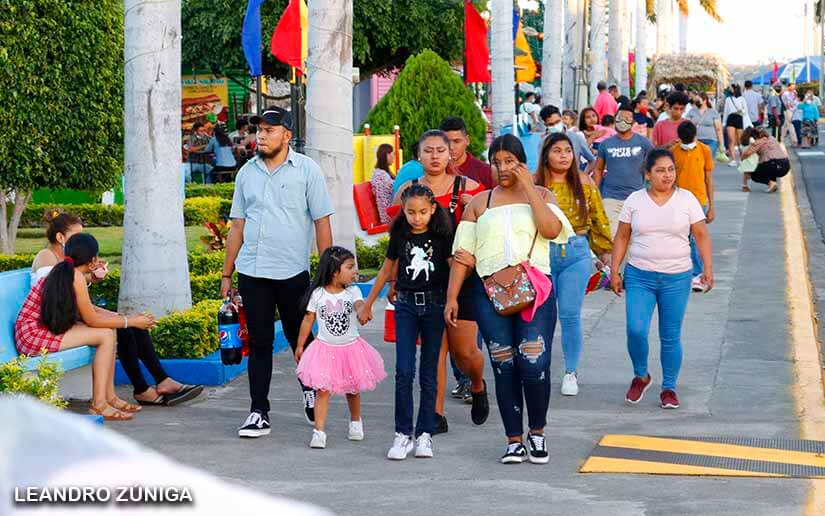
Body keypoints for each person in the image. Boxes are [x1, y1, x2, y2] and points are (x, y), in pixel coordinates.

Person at [447, 134, 574, 464]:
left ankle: (538, 432)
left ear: (522, 163)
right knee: (503, 364)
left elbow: (549, 230)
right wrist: (452, 297)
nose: (502, 168)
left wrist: (529, 187)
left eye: (509, 162)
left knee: (533, 362)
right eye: (496, 162)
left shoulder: (543, 195)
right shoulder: (479, 203)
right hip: (490, 296)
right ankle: (513, 439)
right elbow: (463, 255)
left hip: (535, 294)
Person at [222, 106, 335, 438]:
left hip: (292, 273)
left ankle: (311, 391)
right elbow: (237, 226)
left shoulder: (307, 171)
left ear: (287, 135)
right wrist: (227, 275)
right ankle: (259, 412)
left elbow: (322, 222)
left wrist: (326, 274)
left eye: (270, 130)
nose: (262, 135)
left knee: (300, 338)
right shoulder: (246, 173)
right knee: (259, 342)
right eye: (259, 129)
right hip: (253, 271)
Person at [31, 215, 203, 407]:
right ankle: (137, 391)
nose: (80, 240)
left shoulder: (71, 267)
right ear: (61, 238)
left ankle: (158, 381)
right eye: (76, 236)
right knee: (120, 325)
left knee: (125, 321)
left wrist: (90, 276)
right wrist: (125, 319)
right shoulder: (48, 257)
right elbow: (59, 296)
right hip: (49, 322)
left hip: (63, 317)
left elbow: (73, 296)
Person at [391, 130, 488, 435]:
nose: (434, 156)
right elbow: (398, 241)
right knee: (435, 352)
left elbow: (485, 231)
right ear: (418, 155)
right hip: (423, 283)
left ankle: (477, 383)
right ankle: (435, 414)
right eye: (428, 151)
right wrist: (396, 280)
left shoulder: (471, 188)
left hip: (463, 279)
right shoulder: (408, 190)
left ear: (451, 154)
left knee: (464, 352)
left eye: (440, 151)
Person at [611, 149, 713, 410]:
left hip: (677, 277)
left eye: (671, 170)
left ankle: (669, 387)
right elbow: (622, 236)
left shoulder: (686, 199)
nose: (667, 175)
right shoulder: (635, 200)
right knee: (636, 329)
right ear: (647, 174)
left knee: (670, 335)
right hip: (639, 275)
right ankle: (641, 375)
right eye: (660, 170)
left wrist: (707, 270)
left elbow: (701, 235)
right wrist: (614, 270)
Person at [15, 233, 156, 421]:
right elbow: (92, 320)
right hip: (33, 336)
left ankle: (109, 397)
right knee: (105, 335)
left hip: (37, 331)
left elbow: (87, 310)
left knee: (109, 331)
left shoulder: (68, 272)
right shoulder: (75, 277)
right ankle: (99, 405)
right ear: (92, 260)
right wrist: (131, 322)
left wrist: (123, 318)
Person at [360, 184, 455, 460]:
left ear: (433, 209)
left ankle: (424, 433)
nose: (417, 217)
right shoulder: (400, 234)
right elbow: (387, 268)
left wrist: (455, 301)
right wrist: (368, 304)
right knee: (403, 370)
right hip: (405, 306)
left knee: (429, 372)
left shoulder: (442, 234)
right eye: (411, 212)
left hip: (435, 306)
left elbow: (453, 270)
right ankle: (402, 433)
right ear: (403, 211)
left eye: (423, 212)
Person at [536, 133, 612, 396]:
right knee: (541, 316)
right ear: (546, 154)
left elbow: (599, 218)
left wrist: (606, 255)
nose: (564, 156)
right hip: (541, 254)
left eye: (568, 151)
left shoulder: (585, 182)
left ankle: (570, 372)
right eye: (557, 151)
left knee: (569, 314)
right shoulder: (534, 185)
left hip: (576, 253)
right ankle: (539, 368)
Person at [295, 246, 387, 449]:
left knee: (353, 388)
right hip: (324, 349)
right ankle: (319, 431)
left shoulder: (353, 292)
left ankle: (355, 421)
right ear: (335, 271)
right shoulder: (318, 294)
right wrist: (301, 344)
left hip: (350, 349)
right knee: (323, 390)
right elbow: (308, 319)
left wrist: (364, 310)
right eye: (350, 267)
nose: (354, 272)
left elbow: (359, 305)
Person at [593, 106, 655, 237]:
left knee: (636, 238)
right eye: (620, 118)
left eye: (627, 119)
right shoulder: (606, 144)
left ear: (633, 123)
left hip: (637, 198)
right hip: (610, 197)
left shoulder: (643, 143)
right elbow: (598, 168)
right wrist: (596, 193)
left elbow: (654, 165)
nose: (623, 121)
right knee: (613, 236)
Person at [670, 121, 715, 292]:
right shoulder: (673, 152)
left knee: (696, 239)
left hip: (699, 201)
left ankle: (697, 274)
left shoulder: (704, 150)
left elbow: (709, 179)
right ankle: (683, 272)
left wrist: (711, 206)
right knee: (681, 239)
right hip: (677, 201)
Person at [439, 117, 494, 190]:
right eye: (446, 142)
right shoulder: (433, 170)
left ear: (467, 140)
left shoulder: (485, 171)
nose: (451, 147)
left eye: (456, 141)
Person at [539, 105, 596, 171]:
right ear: (545, 124)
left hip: (573, 179)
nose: (555, 126)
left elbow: (592, 160)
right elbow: (541, 166)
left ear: (561, 118)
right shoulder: (544, 142)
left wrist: (582, 176)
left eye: (557, 122)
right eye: (551, 124)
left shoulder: (576, 138)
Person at [740, 129, 790, 193]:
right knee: (767, 166)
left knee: (754, 174)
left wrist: (742, 158)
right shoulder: (772, 138)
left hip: (774, 164)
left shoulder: (758, 141)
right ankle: (772, 185)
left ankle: (771, 183)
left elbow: (747, 154)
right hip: (785, 165)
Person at [685, 92, 725, 158]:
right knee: (697, 161)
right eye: (695, 100)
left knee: (708, 160)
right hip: (695, 140)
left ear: (705, 100)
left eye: (698, 100)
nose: (696, 102)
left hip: (711, 140)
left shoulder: (713, 112)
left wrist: (721, 144)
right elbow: (686, 124)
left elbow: (718, 129)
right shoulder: (692, 111)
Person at [722, 84, 753, 166]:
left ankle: (742, 158)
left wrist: (741, 110)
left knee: (740, 140)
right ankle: (733, 159)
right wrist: (724, 123)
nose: (730, 90)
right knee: (731, 140)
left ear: (735, 89)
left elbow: (746, 110)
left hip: (739, 118)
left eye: (731, 88)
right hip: (730, 118)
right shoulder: (728, 99)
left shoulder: (742, 99)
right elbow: (726, 111)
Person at [371, 143, 396, 224]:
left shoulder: (381, 173)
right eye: (393, 154)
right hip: (388, 216)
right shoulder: (381, 175)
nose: (394, 157)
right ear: (387, 155)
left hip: (389, 212)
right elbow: (397, 189)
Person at [738, 127, 760, 192]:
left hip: (745, 158)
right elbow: (755, 144)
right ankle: (746, 184)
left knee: (746, 173)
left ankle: (744, 186)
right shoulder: (751, 139)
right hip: (752, 158)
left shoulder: (742, 141)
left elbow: (740, 150)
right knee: (754, 172)